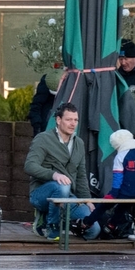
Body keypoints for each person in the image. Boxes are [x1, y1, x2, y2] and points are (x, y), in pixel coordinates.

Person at [24, 102, 97, 241]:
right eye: (68, 119)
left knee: (93, 230)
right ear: (58, 120)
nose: (73, 123)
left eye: (75, 120)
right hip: (41, 194)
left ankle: (59, 221)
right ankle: (52, 225)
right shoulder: (43, 139)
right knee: (63, 186)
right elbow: (29, 166)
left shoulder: (79, 143)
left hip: (68, 196)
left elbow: (81, 175)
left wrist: (87, 200)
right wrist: (54, 175)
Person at [74, 130, 135, 239]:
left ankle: (86, 223)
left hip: (123, 192)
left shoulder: (121, 156)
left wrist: (113, 194)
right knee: (121, 209)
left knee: (102, 206)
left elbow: (118, 178)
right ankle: (111, 226)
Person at [28, 64, 66, 135]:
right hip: (47, 126)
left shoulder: (72, 81)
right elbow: (36, 105)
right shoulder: (47, 80)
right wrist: (37, 127)